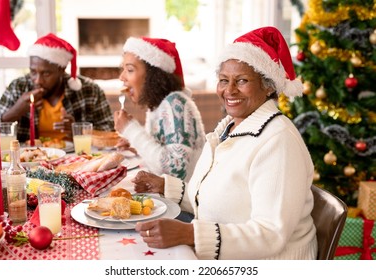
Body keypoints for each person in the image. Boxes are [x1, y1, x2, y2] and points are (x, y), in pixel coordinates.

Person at [132, 26, 318, 260]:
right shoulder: (233, 127)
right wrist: (166, 186)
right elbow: (220, 199)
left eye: (241, 81)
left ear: (269, 85)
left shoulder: (278, 141)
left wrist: (190, 234)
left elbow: (271, 234)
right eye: (223, 80)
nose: (229, 90)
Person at [0, 33, 114, 142]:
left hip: (77, 160)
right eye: (33, 71)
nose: (38, 80)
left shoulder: (89, 90)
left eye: (46, 73)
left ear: (62, 69)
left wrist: (79, 130)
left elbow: (110, 133)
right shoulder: (18, 87)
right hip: (30, 160)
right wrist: (15, 112)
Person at [114, 37, 205, 182]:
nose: (121, 77)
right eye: (123, 69)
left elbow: (176, 170)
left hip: (184, 203)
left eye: (129, 70)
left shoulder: (175, 104)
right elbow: (162, 156)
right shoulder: (159, 105)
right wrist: (136, 145)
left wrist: (131, 130)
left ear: (153, 75)